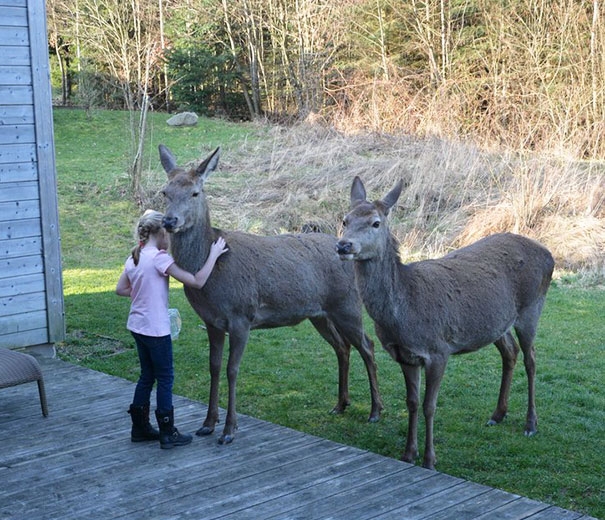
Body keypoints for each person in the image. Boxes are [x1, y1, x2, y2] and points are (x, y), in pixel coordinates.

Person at [116, 209, 228, 449]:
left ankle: (140, 428)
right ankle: (168, 432)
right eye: (170, 234)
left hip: (137, 326)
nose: (172, 239)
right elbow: (197, 281)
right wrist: (214, 254)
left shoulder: (134, 257)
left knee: (147, 376)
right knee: (165, 378)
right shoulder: (159, 259)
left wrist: (143, 294)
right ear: (160, 233)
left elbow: (121, 289)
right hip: (155, 330)